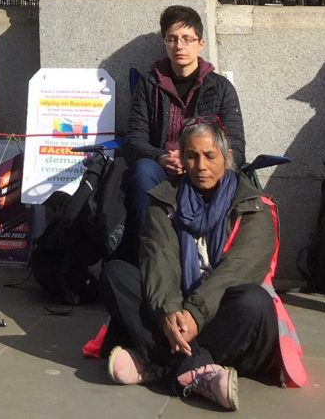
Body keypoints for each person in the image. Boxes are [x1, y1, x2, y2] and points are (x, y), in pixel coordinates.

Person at [101, 117, 301, 410]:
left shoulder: (254, 206)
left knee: (254, 301)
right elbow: (159, 259)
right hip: (175, 313)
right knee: (116, 274)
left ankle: (159, 364)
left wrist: (194, 313)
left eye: (210, 156)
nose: (201, 166)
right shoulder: (165, 200)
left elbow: (237, 270)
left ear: (226, 158)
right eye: (192, 156)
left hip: (223, 316)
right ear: (182, 159)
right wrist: (169, 311)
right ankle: (196, 370)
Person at [121, 5, 245, 258]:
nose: (179, 46)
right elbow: (134, 140)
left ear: (200, 44)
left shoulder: (220, 88)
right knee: (142, 172)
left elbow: (236, 147)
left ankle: (210, 260)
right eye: (172, 39)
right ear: (165, 42)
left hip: (205, 167)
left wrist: (203, 163)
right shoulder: (149, 85)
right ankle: (141, 259)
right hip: (163, 168)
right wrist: (160, 157)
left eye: (187, 39)